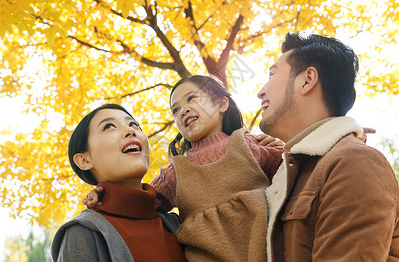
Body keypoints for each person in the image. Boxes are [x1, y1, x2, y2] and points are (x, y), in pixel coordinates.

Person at [86, 75, 284, 261]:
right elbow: (141, 202)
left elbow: (294, 170)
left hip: (265, 250)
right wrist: (104, 195)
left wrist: (284, 147)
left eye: (191, 99)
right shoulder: (176, 172)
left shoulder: (248, 144)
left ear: (222, 103)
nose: (183, 110)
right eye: (176, 110)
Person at [258, 32, 399, 261]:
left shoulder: (354, 162)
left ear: (307, 80)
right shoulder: (289, 173)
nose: (260, 91)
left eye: (271, 74)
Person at [50, 104, 186, 262]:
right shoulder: (82, 234)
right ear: (84, 160)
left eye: (134, 124)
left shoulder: (178, 224)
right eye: (109, 126)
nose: (130, 130)